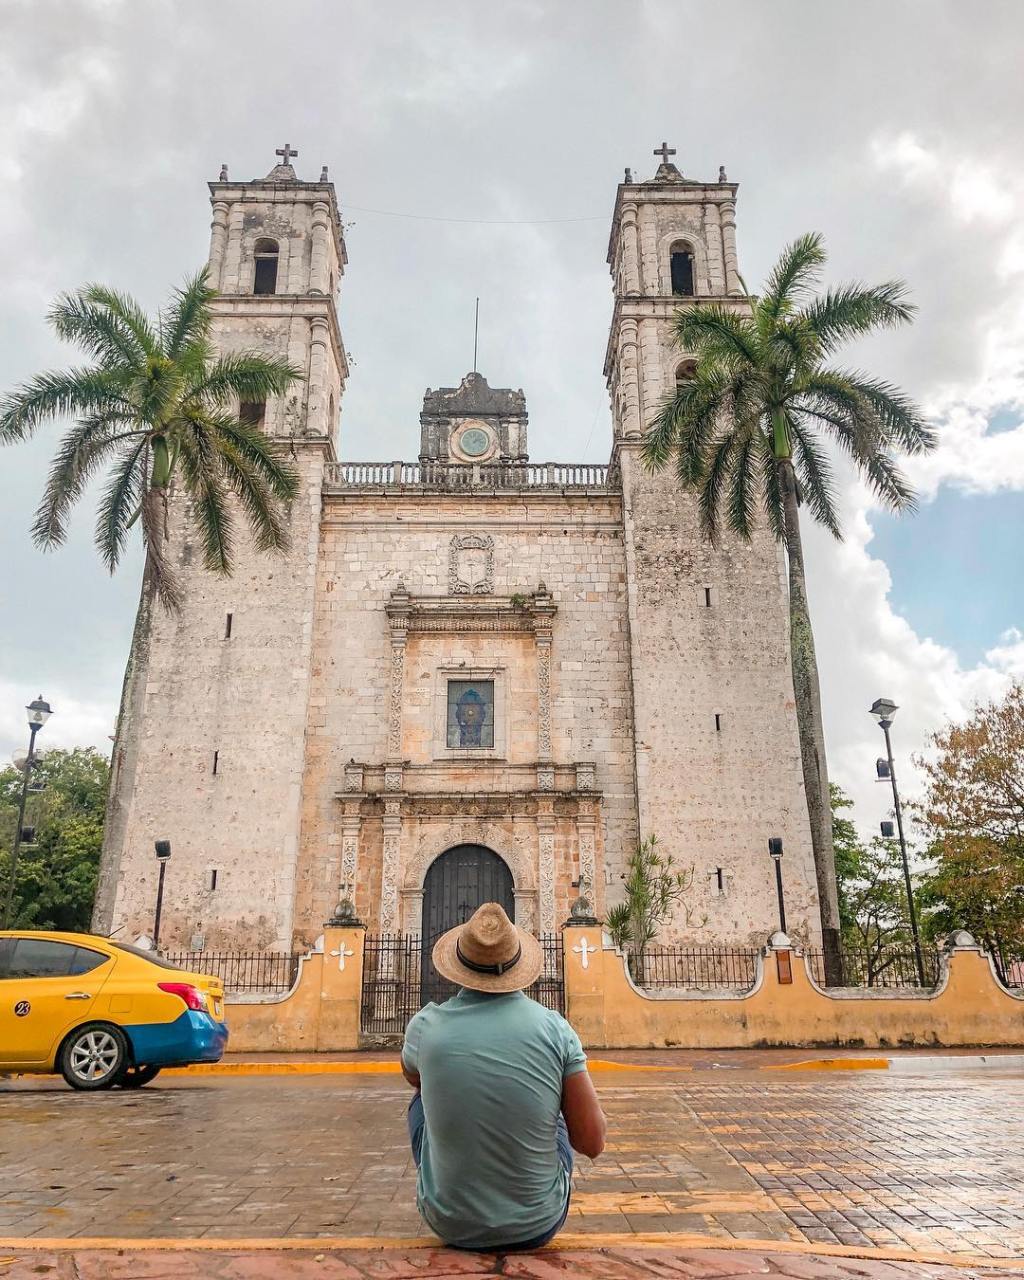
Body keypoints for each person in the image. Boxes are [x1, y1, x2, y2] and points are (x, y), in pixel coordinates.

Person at [402, 902, 607, 1251]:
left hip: (448, 1223)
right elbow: (592, 1144)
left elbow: (414, 1077)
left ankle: (453, 1188)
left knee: (422, 1098)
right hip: (537, 1224)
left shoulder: (424, 1025)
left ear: (457, 963)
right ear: (518, 963)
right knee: (553, 1100)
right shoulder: (555, 1028)